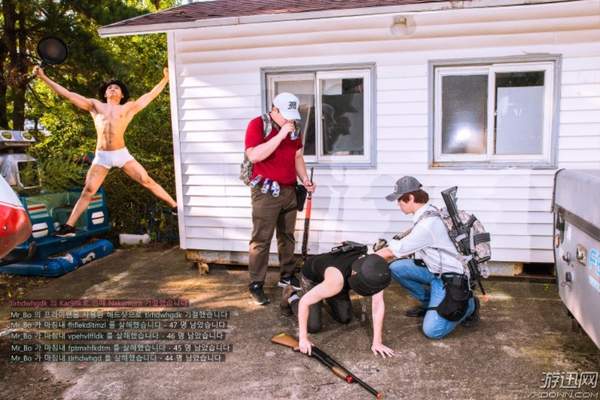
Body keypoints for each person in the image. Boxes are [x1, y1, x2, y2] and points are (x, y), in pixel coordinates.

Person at [33, 66, 177, 237]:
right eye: (110, 87)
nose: (112, 89)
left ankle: (175, 206)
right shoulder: (95, 105)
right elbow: (68, 94)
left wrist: (165, 79)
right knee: (88, 191)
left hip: (122, 154)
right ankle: (69, 227)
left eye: (116, 88)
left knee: (146, 180)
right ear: (105, 94)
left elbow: (150, 95)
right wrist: (43, 77)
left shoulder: (128, 108)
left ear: (122, 95)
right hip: (102, 156)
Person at [375, 176, 480, 340]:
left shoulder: (427, 225)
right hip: (433, 269)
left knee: (432, 331)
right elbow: (406, 241)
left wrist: (365, 261)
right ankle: (430, 303)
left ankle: (470, 305)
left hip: (450, 278)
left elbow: (392, 252)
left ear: (410, 198)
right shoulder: (429, 211)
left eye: (399, 200)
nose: (398, 204)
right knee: (396, 268)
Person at [244, 92, 315, 305]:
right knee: (261, 239)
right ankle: (256, 284)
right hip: (265, 191)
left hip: (289, 189)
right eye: (285, 116)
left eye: (292, 116)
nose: (289, 120)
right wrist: (281, 135)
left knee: (287, 236)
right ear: (274, 110)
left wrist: (304, 179)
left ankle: (287, 275)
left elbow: (297, 156)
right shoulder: (257, 124)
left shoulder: (294, 127)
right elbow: (254, 155)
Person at [281, 251, 394, 358]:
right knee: (313, 326)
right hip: (312, 278)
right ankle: (291, 296)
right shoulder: (336, 282)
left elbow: (378, 304)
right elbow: (304, 303)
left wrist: (377, 342)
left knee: (345, 318)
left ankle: (326, 295)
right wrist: (303, 339)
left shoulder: (375, 268)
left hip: (335, 279)